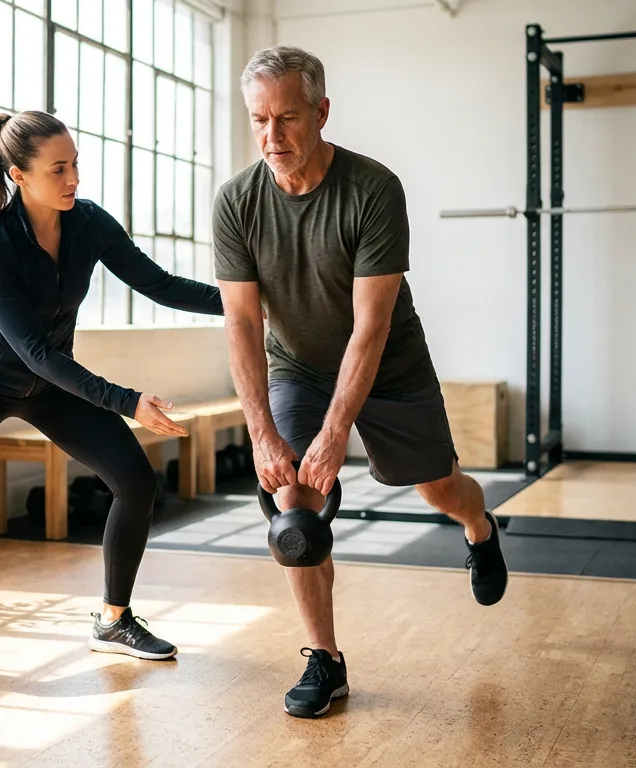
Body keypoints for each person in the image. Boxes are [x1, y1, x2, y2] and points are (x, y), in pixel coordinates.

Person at [0, 110, 224, 685]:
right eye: (58, 168)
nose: (73, 178)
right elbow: (34, 351)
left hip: (48, 386)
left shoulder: (88, 224)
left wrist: (248, 301)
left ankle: (113, 621)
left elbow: (159, 284)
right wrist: (126, 400)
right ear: (18, 175)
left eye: (75, 163)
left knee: (136, 480)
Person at [212, 46, 509, 719]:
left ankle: (481, 528)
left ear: (321, 111)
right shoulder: (237, 202)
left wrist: (335, 432)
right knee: (294, 500)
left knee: (438, 488)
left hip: (390, 365)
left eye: (287, 118)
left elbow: (370, 327)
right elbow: (240, 323)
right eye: (259, 120)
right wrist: (262, 434)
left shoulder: (373, 188)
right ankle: (326, 660)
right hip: (297, 367)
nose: (272, 137)